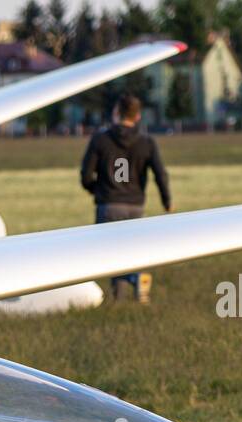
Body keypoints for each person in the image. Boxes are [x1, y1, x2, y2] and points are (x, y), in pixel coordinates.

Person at [79, 93, 172, 303]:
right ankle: (129, 289)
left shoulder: (100, 139)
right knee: (130, 253)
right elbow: (160, 173)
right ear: (138, 116)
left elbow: (86, 175)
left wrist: (97, 190)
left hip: (109, 205)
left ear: (115, 113)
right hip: (135, 206)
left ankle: (129, 285)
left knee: (110, 254)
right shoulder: (147, 142)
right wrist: (167, 201)